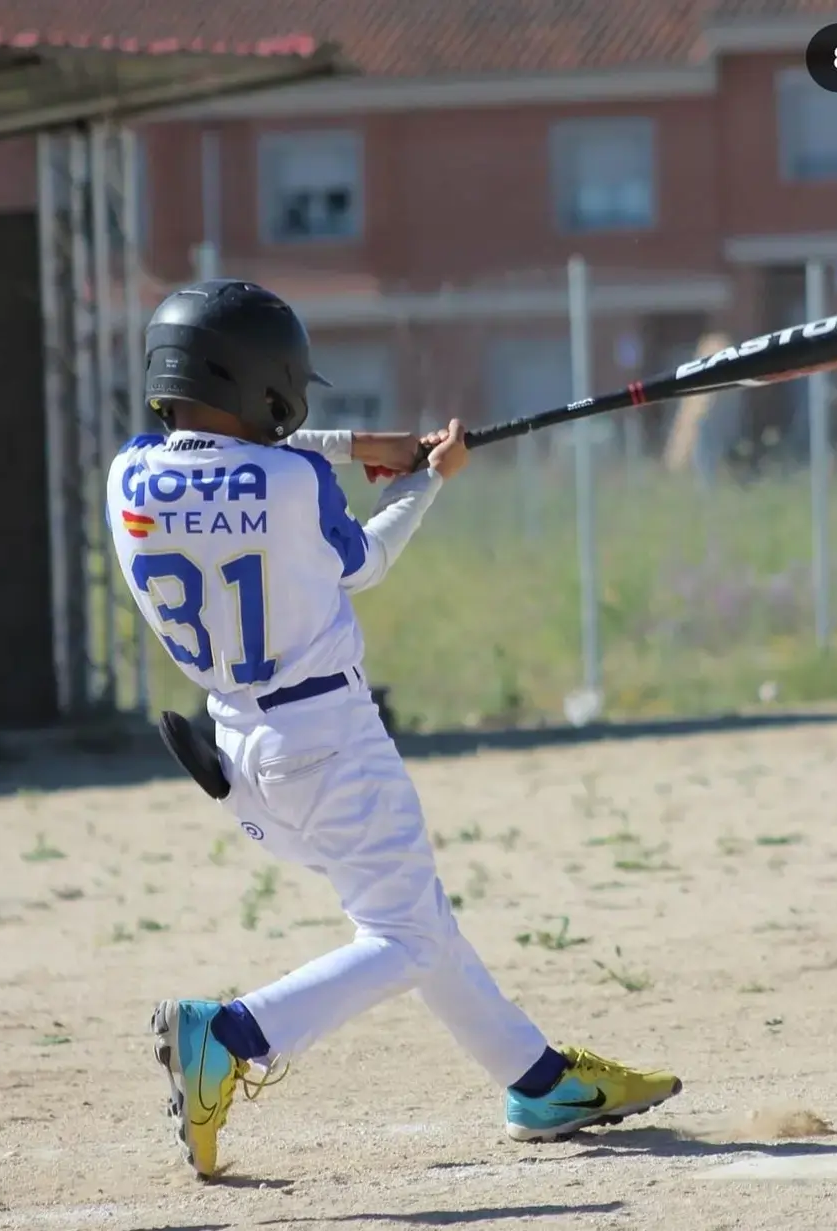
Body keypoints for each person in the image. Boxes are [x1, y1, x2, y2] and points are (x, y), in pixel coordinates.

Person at [106, 279, 681, 1179]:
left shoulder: (128, 474)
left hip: (239, 755)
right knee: (406, 937)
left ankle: (539, 1082)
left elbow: (222, 460)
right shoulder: (295, 479)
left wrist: (355, 447)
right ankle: (232, 1033)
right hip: (330, 745)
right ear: (265, 383)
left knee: (413, 918)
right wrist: (425, 479)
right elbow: (364, 559)